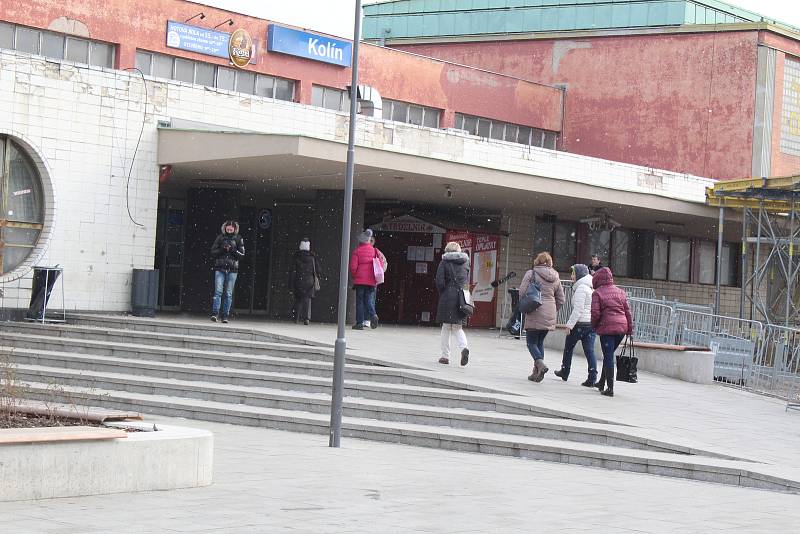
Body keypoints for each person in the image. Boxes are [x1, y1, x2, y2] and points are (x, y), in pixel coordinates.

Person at [518, 252, 564, 382]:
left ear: (537, 261)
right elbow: (561, 299)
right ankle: (536, 373)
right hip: (549, 312)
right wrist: (553, 310)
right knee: (539, 342)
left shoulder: (531, 273)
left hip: (534, 310)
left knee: (531, 342)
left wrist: (525, 304)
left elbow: (522, 291)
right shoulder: (556, 276)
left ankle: (540, 364)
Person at [591, 267, 633, 397]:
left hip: (607, 328)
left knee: (608, 356)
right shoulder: (620, 292)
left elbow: (595, 313)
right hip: (621, 328)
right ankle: (602, 383)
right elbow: (628, 312)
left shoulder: (597, 293)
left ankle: (610, 388)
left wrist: (594, 326)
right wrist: (630, 329)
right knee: (608, 354)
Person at [554, 264, 597, 387]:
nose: (571, 276)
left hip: (580, 324)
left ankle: (565, 371)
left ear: (579, 275)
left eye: (573, 273)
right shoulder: (590, 287)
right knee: (590, 351)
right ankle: (592, 377)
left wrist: (569, 326)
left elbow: (578, 310)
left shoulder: (581, 288)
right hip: (590, 325)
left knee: (568, 348)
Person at [435, 241, 471, 366]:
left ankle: (445, 356)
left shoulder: (444, 262)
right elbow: (466, 280)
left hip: (448, 296)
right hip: (461, 297)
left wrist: (444, 292)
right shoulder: (466, 262)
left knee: (446, 327)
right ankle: (464, 347)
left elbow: (440, 282)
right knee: (457, 327)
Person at [349, 229, 386, 330]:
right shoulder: (375, 251)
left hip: (360, 281)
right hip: (371, 281)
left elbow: (353, 267)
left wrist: (355, 276)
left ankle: (359, 323)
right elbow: (381, 264)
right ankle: (373, 314)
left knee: (360, 301)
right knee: (368, 299)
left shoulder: (357, 251)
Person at [210, 220, 245, 323]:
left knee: (228, 293)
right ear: (225, 228)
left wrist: (233, 250)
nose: (229, 230)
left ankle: (225, 315)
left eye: (231, 228)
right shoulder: (220, 237)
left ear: (235, 229)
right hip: (220, 268)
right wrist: (222, 249)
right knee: (218, 291)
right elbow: (213, 251)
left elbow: (242, 255)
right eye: (227, 228)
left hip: (232, 269)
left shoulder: (238, 238)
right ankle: (215, 313)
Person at [290, 238, 319, 325]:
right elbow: (318, 270)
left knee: (298, 299)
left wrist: (290, 284)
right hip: (309, 282)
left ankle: (296, 317)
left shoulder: (296, 257)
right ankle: (306, 318)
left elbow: (292, 271)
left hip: (298, 281)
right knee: (307, 300)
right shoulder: (312, 258)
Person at [364, 235, 387, 329]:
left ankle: (368, 318)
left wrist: (379, 273)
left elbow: (384, 263)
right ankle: (368, 318)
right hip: (371, 279)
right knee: (369, 299)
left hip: (369, 279)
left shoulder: (376, 252)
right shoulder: (376, 252)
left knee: (368, 299)